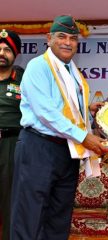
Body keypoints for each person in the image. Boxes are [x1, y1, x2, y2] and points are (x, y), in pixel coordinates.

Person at [10, 15, 107, 240]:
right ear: (49, 38)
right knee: (29, 216)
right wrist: (84, 136)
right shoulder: (38, 66)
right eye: (61, 36)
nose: (67, 42)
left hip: (66, 150)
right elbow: (47, 112)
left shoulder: (73, 72)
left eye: (73, 38)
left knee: (59, 218)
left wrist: (89, 113)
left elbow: (68, 109)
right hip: (38, 147)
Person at [0, 29, 23, 240]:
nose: (1, 52)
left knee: (10, 201)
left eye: (7, 49)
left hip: (11, 144)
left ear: (15, 55)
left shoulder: (24, 79)